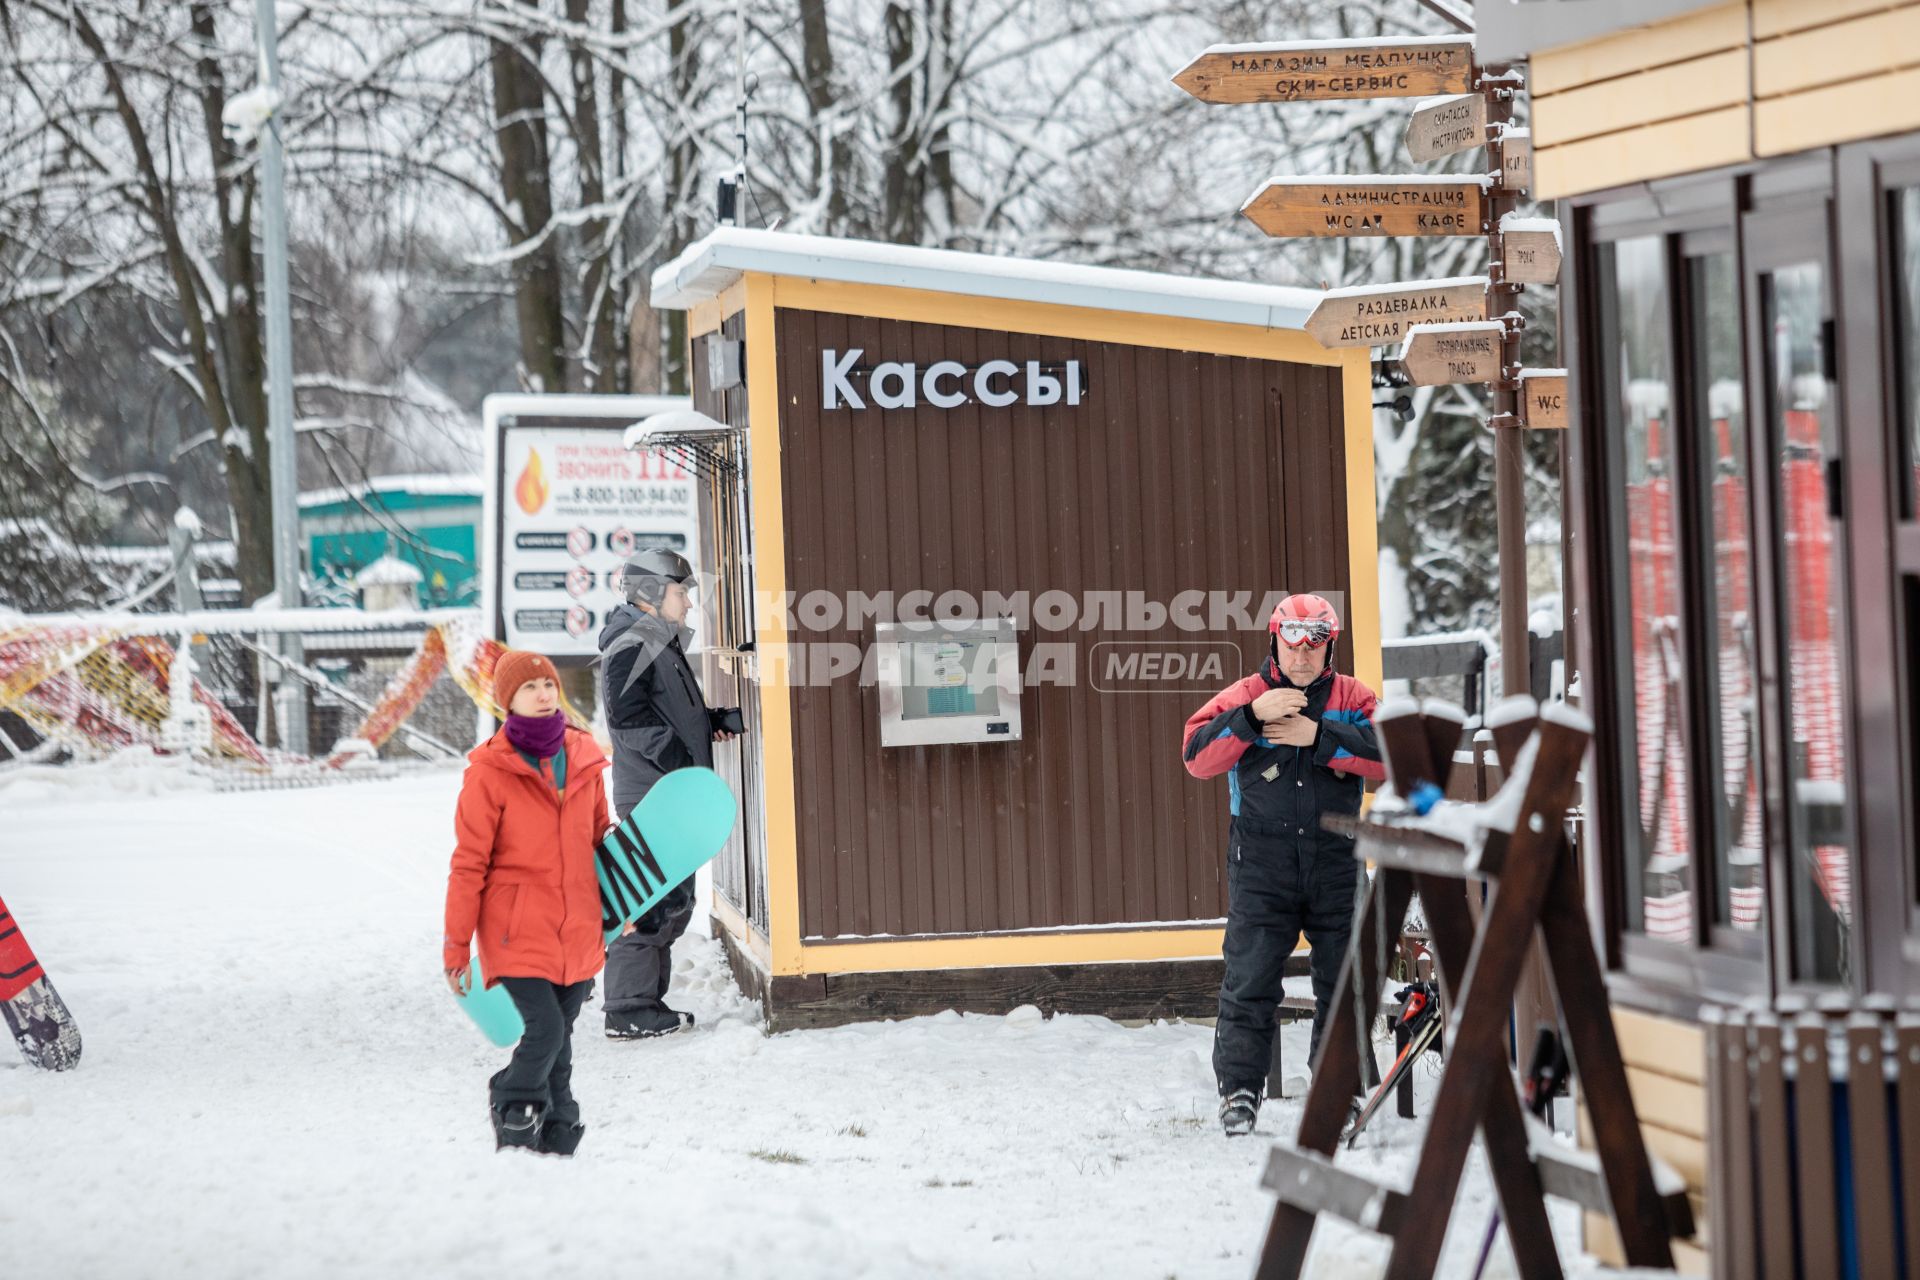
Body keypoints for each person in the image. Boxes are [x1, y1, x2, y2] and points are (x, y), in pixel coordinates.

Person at [1181, 593, 1385, 1137]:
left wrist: (1322, 737)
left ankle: (1337, 1095)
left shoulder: (1352, 698)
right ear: (1274, 639)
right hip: (1261, 861)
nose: (1302, 655)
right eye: (1291, 641)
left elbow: (1393, 756)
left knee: (1345, 985)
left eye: (1314, 643)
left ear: (1329, 646)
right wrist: (1251, 718)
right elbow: (1196, 755)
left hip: (1336, 861)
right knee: (1250, 979)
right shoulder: (1245, 694)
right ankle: (1240, 1094)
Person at [443, 649, 609, 1154]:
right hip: (516, 928)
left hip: (577, 924)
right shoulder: (489, 773)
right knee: (545, 1028)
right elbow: (468, 864)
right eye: (529, 688)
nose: (543, 695)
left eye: (549, 686)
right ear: (507, 701)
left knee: (561, 1038)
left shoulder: (583, 759)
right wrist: (455, 945)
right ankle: (513, 1100)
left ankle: (557, 1125)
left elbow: (602, 840)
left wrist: (622, 911)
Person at [597, 546, 739, 1039]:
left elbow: (659, 711)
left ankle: (643, 1002)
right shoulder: (632, 642)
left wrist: (708, 724)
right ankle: (627, 1007)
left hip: (671, 790)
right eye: (681, 591)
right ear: (652, 593)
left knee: (672, 899)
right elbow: (628, 719)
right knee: (650, 901)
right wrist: (681, 763)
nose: (688, 601)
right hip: (655, 793)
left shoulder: (657, 639)